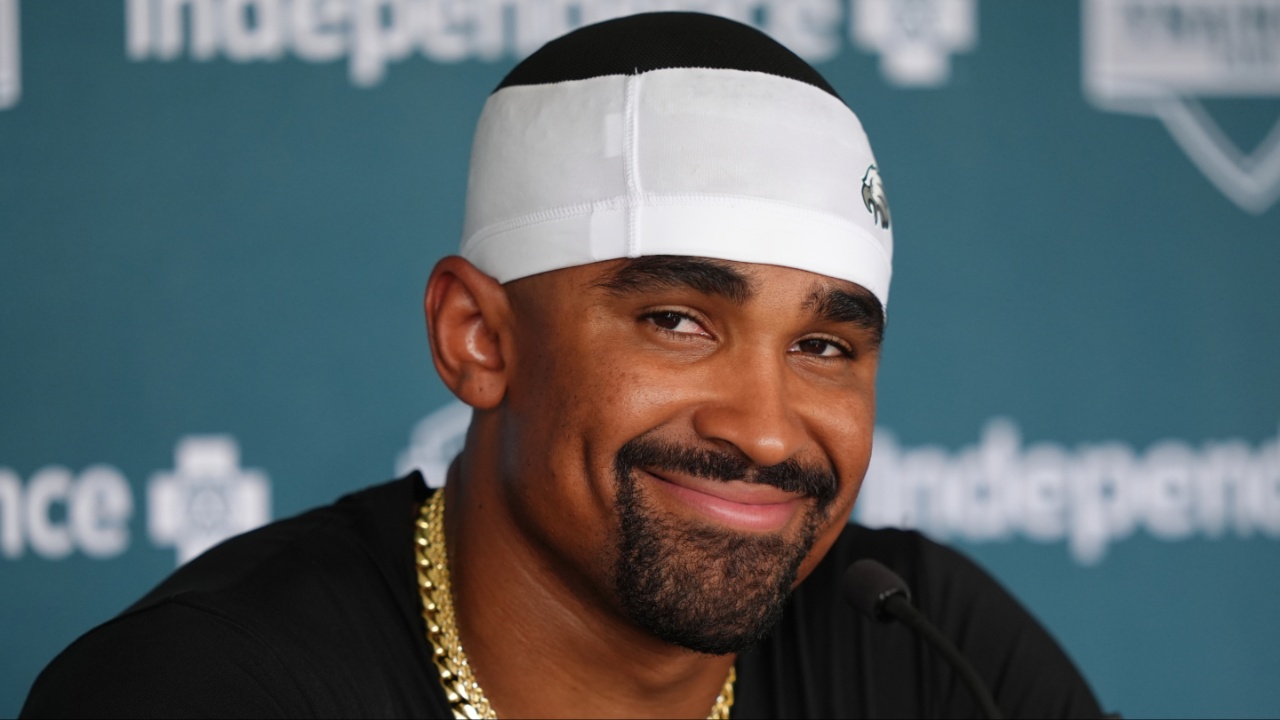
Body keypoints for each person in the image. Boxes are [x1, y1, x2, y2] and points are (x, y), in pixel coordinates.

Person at [22, 12, 1103, 719]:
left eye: (823, 346)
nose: (768, 431)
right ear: (476, 339)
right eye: (678, 321)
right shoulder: (204, 691)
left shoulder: (930, 657)